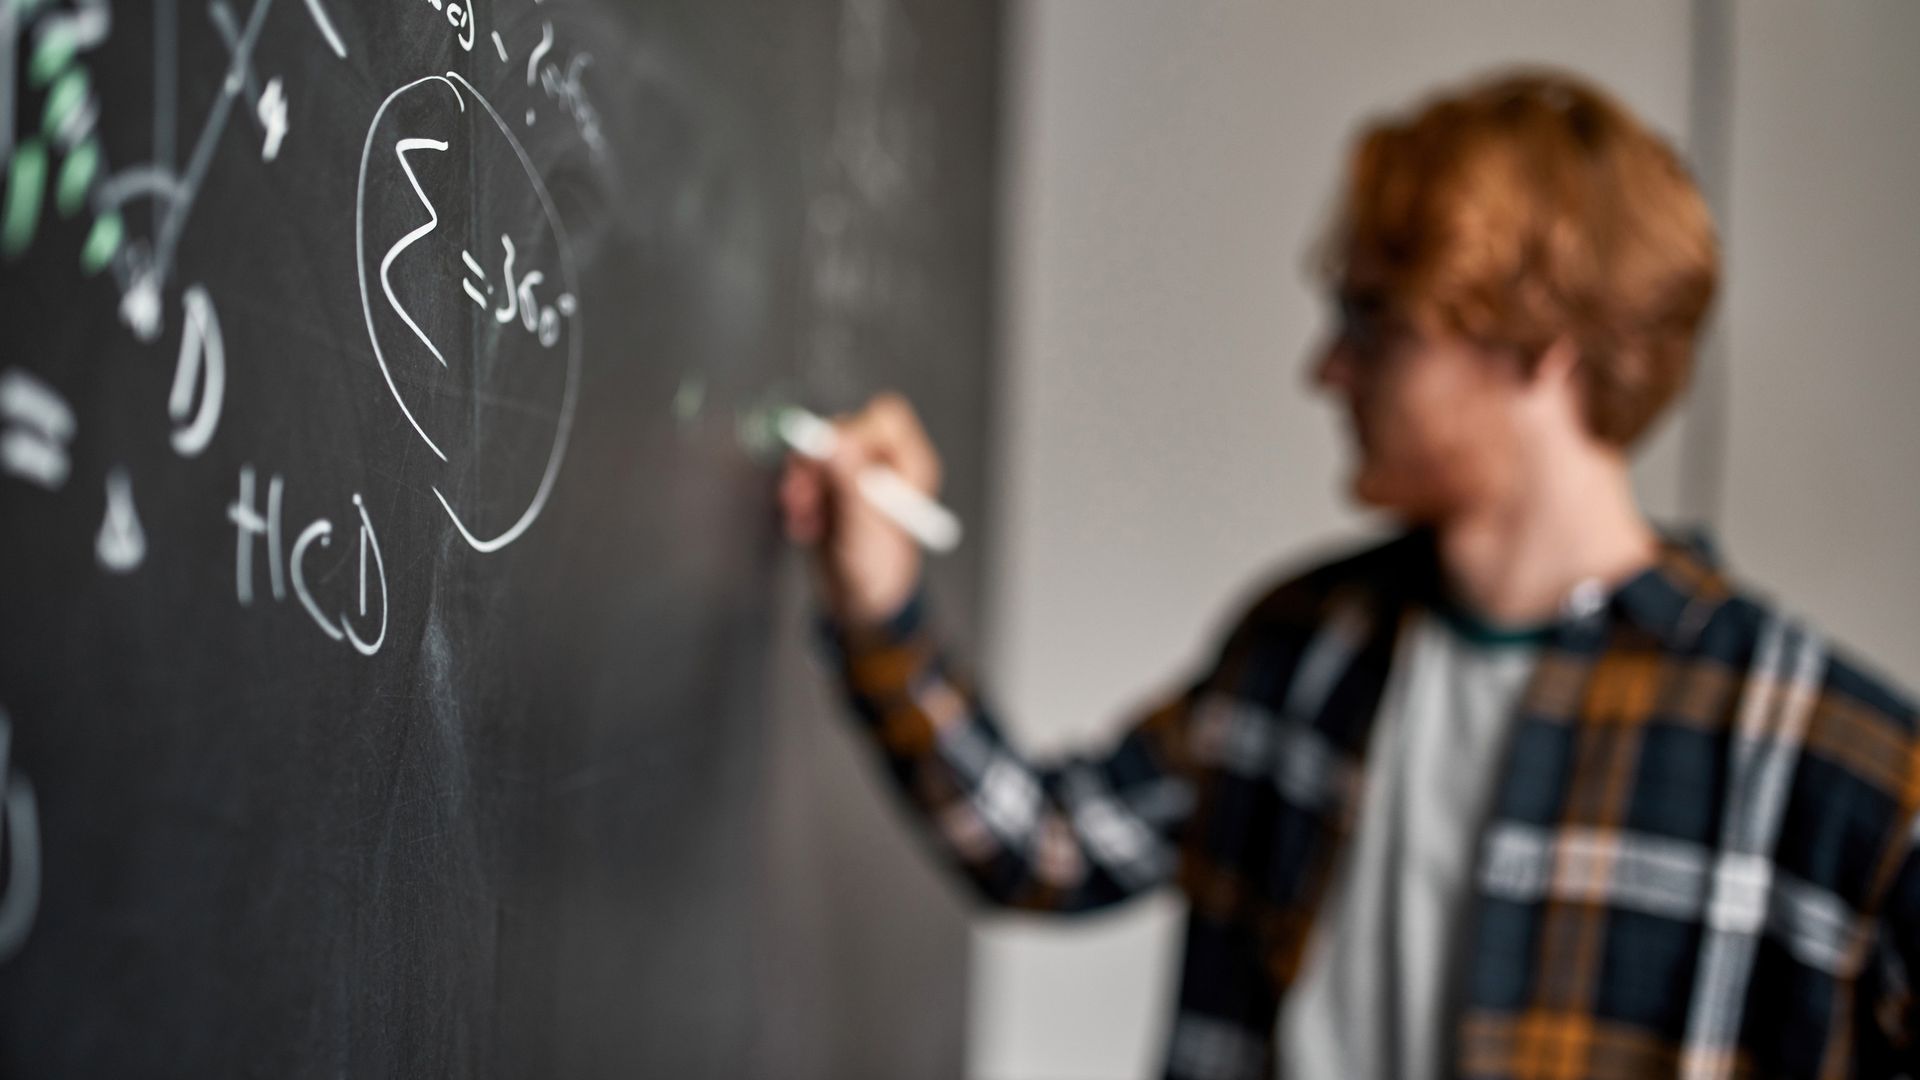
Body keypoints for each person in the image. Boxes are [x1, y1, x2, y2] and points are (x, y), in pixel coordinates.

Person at [779, 69, 1920, 1080]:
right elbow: (1050, 851)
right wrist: (878, 599)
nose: (1326, 369)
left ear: (1542, 349)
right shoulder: (1305, 648)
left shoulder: (1830, 767)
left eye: (1375, 321)